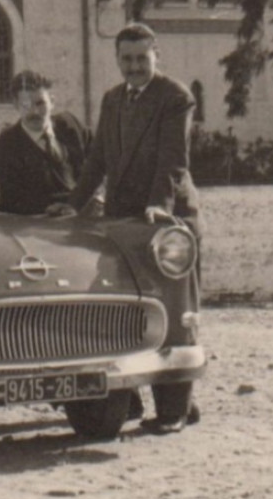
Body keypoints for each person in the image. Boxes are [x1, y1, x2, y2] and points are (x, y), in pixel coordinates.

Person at [48, 22, 201, 434]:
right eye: (127, 60)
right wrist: (74, 204)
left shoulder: (175, 97)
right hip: (120, 220)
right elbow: (98, 160)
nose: (134, 67)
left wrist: (158, 205)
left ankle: (174, 411)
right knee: (119, 311)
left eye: (142, 58)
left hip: (164, 221)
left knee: (171, 311)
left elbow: (174, 158)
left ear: (157, 55)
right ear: (118, 60)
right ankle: (126, 398)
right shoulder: (113, 99)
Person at [0, 70, 90, 215]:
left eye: (40, 103)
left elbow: (101, 161)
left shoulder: (70, 126)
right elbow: (14, 202)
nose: (35, 112)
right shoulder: (5, 146)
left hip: (85, 218)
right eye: (26, 105)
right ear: (16, 105)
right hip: (38, 226)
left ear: (52, 102)